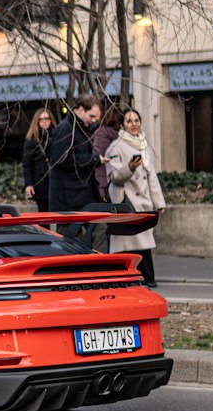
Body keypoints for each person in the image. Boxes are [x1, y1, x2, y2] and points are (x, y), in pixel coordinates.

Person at [105, 107, 166, 285]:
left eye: (136, 120)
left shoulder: (143, 143)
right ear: (123, 125)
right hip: (127, 200)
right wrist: (130, 167)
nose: (133, 124)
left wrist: (159, 202)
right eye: (129, 121)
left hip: (143, 201)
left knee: (141, 241)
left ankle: (142, 277)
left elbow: (151, 176)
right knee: (127, 242)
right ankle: (134, 277)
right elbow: (115, 176)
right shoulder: (115, 147)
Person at [48, 93, 108, 237]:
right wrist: (93, 160)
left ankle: (96, 260)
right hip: (69, 199)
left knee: (98, 231)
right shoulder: (66, 128)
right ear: (80, 110)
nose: (94, 121)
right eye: (92, 116)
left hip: (80, 195)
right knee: (70, 242)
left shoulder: (78, 127)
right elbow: (63, 158)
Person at [22, 108, 55, 211]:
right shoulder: (31, 139)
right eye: (41, 119)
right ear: (37, 121)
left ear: (51, 120)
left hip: (55, 181)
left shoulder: (57, 136)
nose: (44, 121)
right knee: (43, 215)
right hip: (40, 182)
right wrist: (28, 184)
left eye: (47, 118)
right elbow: (27, 164)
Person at [92, 102, 123, 201]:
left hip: (104, 182)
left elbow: (97, 154)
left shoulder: (101, 133)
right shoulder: (118, 135)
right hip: (110, 182)